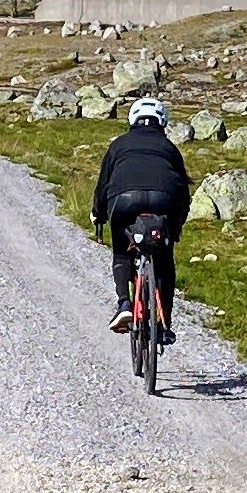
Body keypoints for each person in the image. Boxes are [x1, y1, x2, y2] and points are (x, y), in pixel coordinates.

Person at [90, 97, 190, 338]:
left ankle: (124, 304)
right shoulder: (169, 147)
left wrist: (98, 214)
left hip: (123, 199)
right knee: (164, 260)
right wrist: (175, 228)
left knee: (121, 252)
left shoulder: (118, 145)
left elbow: (103, 186)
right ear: (162, 121)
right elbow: (184, 193)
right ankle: (164, 324)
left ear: (132, 120)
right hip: (164, 199)